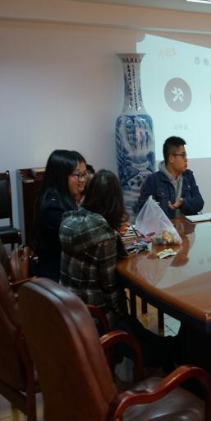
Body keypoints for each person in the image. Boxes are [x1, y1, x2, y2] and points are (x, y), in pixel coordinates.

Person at [60, 169, 175, 369]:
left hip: (70, 310)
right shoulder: (104, 237)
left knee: (144, 329)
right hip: (96, 319)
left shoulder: (69, 220)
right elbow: (111, 293)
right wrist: (127, 315)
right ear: (115, 201)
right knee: (157, 348)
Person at [32, 149, 87, 281]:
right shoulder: (53, 208)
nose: (83, 180)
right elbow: (81, 239)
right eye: (78, 175)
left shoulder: (64, 198)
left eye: (85, 174)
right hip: (58, 278)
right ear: (61, 177)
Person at [137, 136, 204, 219]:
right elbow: (143, 209)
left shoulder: (188, 176)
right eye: (183, 155)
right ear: (171, 158)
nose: (186, 159)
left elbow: (199, 203)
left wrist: (183, 203)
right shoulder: (153, 180)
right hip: (165, 226)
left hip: (187, 226)